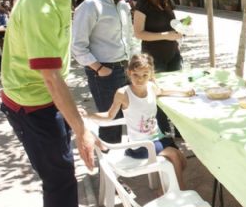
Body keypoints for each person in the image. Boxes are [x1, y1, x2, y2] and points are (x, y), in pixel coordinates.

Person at [0, 0, 112, 207]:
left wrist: (76, 125)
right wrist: (82, 130)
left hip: (45, 100)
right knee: (59, 179)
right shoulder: (42, 6)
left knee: (65, 174)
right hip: (30, 105)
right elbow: (51, 78)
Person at [82, 53, 193, 189]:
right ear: (129, 73)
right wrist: (89, 115)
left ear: (151, 74)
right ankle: (180, 190)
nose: (140, 79)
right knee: (174, 156)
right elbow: (109, 116)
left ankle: (164, 190)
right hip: (140, 144)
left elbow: (162, 91)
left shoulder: (151, 87)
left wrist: (184, 92)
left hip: (157, 138)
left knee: (182, 161)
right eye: (136, 75)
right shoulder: (123, 93)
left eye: (145, 75)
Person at [72, 0, 137, 143]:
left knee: (133, 116)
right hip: (105, 73)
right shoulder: (90, 6)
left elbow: (129, 38)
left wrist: (135, 63)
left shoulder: (124, 6)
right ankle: (109, 168)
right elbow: (77, 46)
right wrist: (99, 68)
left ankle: (133, 157)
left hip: (127, 69)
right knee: (111, 123)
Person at [133, 0, 184, 137]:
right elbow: (138, 32)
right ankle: (164, 131)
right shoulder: (143, 4)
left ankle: (180, 130)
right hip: (154, 59)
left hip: (173, 55)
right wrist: (165, 36)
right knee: (159, 95)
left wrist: (181, 29)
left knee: (177, 93)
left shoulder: (167, 0)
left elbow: (173, 23)